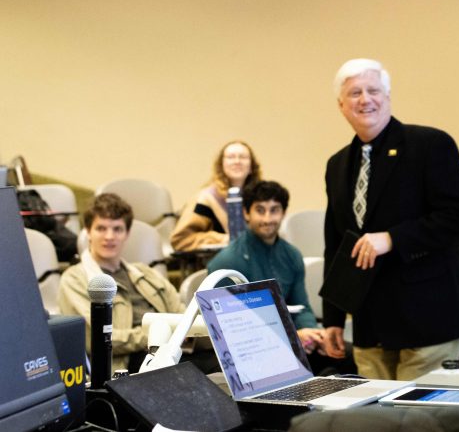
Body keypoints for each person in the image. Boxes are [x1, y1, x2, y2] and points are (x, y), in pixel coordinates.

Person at [319, 58, 459, 381]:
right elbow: (335, 245)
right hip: (369, 325)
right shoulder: (337, 165)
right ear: (341, 105)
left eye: (373, 90)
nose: (365, 99)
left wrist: (392, 238)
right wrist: (332, 318)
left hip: (427, 320)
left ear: (388, 97)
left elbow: (458, 218)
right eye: (355, 93)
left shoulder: (431, 145)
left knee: (420, 422)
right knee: (375, 422)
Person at [205, 179, 357, 375]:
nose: (268, 218)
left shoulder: (292, 255)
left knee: (346, 355)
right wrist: (292, 336)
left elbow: (302, 307)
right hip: (252, 350)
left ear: (283, 213)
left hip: (291, 342)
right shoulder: (226, 262)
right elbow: (234, 329)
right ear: (246, 213)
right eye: (260, 210)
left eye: (274, 210)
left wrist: (312, 334)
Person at [58, 194, 185, 373]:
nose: (109, 236)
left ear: (127, 234)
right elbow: (94, 337)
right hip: (129, 363)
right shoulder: (74, 279)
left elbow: (181, 313)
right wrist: (157, 336)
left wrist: (184, 332)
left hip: (171, 350)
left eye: (117, 229)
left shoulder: (145, 272)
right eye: (101, 228)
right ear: (88, 232)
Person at [171, 140, 263, 252]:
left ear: (251, 167)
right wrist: (224, 239)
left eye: (243, 157)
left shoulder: (261, 199)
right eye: (231, 157)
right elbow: (180, 239)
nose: (237, 161)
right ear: (221, 165)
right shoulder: (205, 199)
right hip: (218, 263)